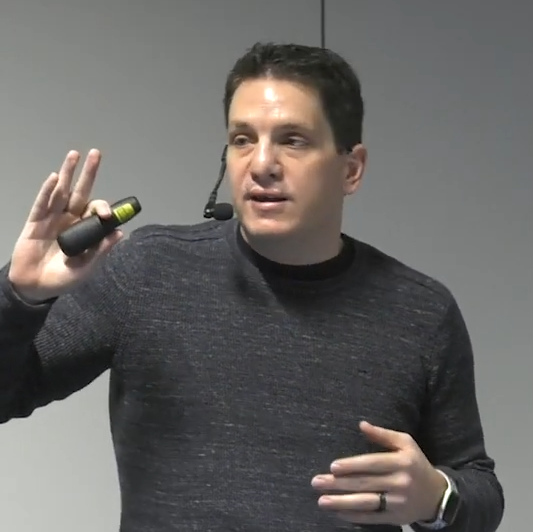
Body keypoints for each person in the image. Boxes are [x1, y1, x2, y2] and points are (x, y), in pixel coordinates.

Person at [0, 42, 504, 532]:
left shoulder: (420, 312)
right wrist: (20, 295)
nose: (261, 163)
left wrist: (436, 497)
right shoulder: (148, 271)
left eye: (293, 140)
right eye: (243, 139)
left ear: (351, 170)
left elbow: (479, 486)